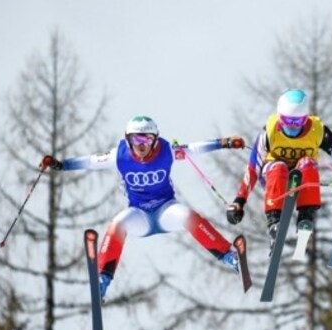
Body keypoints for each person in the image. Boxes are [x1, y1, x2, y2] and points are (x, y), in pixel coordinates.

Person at [39, 115, 246, 300]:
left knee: (188, 216)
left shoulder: (167, 151)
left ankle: (229, 256)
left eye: (146, 139)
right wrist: (60, 165)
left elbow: (193, 149)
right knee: (118, 223)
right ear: (127, 140)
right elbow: (91, 162)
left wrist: (225, 143)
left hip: (166, 210)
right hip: (139, 216)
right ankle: (102, 281)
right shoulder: (118, 156)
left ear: (155, 139)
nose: (141, 145)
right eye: (135, 139)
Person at [226, 89, 332, 245]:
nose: (291, 126)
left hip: (302, 178)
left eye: (297, 122)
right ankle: (274, 220)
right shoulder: (270, 131)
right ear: (279, 118)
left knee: (308, 164)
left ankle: (305, 216)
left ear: (305, 119)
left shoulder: (317, 130)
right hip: (274, 176)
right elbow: (253, 167)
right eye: (286, 121)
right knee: (279, 167)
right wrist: (240, 201)